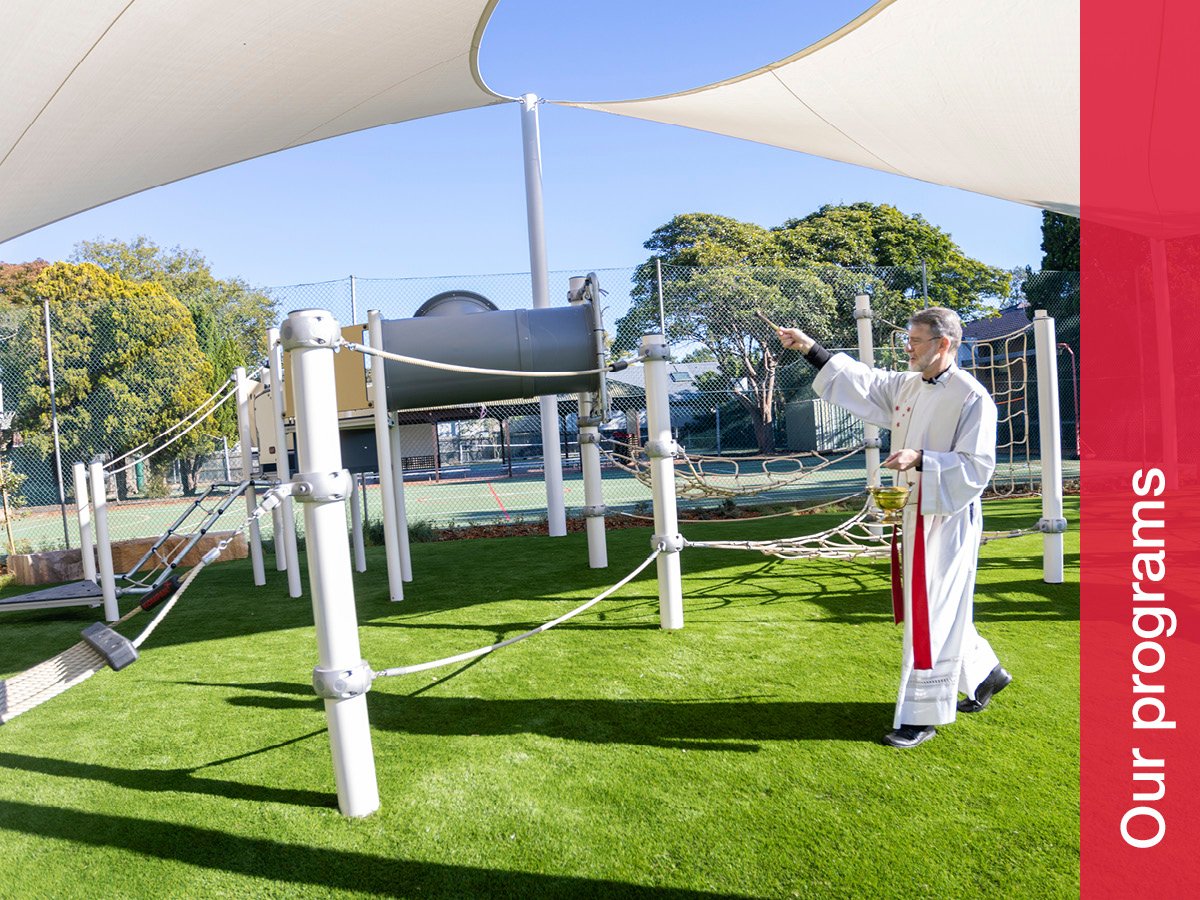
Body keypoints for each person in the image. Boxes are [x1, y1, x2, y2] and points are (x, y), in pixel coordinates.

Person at [778, 307, 1011, 748]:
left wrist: (921, 458)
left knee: (929, 613)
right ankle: (985, 672)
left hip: (947, 518)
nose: (908, 347)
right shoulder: (907, 384)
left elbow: (978, 468)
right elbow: (861, 381)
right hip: (913, 511)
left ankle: (921, 717)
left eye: (916, 340)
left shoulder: (972, 396)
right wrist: (809, 348)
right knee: (935, 607)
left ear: (944, 344)